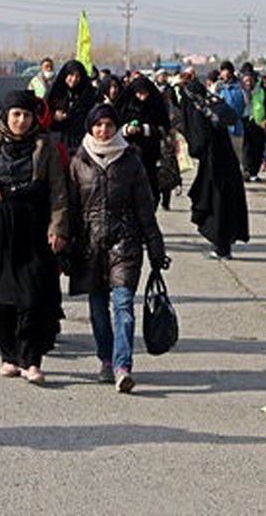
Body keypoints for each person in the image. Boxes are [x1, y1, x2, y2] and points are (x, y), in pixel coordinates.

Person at [0, 90, 69, 384]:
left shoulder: (45, 146)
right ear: (6, 115)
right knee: (3, 298)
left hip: (33, 230)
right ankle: (8, 356)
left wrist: (58, 228)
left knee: (34, 296)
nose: (21, 120)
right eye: (16, 114)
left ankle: (31, 360)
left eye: (27, 115)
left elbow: (58, 191)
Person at [68, 103, 170, 393]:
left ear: (116, 128)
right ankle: (106, 359)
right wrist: (65, 245)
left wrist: (156, 246)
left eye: (109, 125)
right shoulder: (78, 162)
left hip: (125, 243)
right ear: (90, 128)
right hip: (90, 245)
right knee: (98, 309)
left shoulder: (130, 160)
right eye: (98, 125)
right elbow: (71, 209)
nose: (103, 130)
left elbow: (145, 208)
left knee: (123, 306)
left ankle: (122, 365)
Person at [176, 75, 249, 259]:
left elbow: (199, 143)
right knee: (225, 202)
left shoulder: (197, 111)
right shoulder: (211, 105)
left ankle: (221, 247)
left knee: (214, 204)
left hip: (212, 164)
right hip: (226, 159)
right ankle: (224, 246)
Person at [114, 74, 171, 200]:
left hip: (150, 155)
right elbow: (114, 126)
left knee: (150, 193)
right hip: (126, 154)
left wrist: (144, 129)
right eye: (139, 93)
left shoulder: (155, 106)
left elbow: (163, 128)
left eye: (145, 93)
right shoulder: (125, 105)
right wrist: (126, 130)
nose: (142, 97)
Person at [46, 59, 97, 153]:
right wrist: (54, 115)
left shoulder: (87, 93)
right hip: (57, 139)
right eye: (71, 75)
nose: (74, 79)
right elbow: (43, 112)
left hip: (80, 140)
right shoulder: (55, 92)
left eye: (77, 76)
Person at [240, 67, 266, 181]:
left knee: (258, 148)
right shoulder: (242, 91)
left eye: (250, 80)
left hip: (259, 122)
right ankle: (247, 171)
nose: (248, 83)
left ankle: (254, 173)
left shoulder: (261, 91)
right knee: (247, 149)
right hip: (246, 121)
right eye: (246, 81)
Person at [215, 60, 247, 166]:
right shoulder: (218, 88)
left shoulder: (240, 88)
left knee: (237, 154)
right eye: (222, 71)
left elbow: (246, 105)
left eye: (226, 71)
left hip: (237, 126)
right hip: (222, 128)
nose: (224, 74)